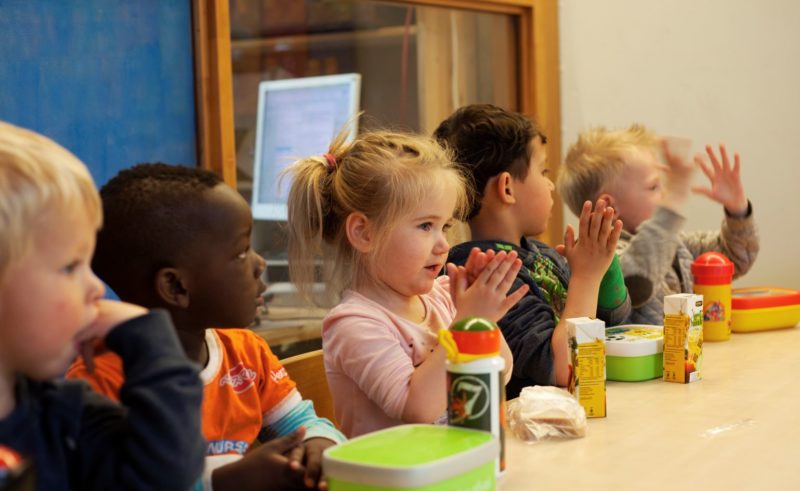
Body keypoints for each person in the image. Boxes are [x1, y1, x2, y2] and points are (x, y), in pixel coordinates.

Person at [67, 163, 345, 491]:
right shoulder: (99, 383)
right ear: (175, 286)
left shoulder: (245, 352)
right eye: (241, 252)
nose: (259, 263)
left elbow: (306, 425)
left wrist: (319, 445)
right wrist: (231, 481)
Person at [0, 121, 205, 491]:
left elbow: (165, 475)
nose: (96, 288)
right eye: (71, 266)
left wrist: (147, 339)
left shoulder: (61, 416)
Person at [286, 130, 528, 438]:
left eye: (446, 226)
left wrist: (483, 318)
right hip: (388, 481)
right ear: (363, 233)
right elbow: (417, 408)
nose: (444, 245)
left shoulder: (444, 296)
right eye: (426, 225)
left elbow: (501, 371)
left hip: (453, 468)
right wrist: (468, 323)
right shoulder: (353, 324)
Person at [434, 104, 631, 396]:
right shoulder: (486, 275)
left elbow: (612, 328)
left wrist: (603, 264)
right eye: (544, 171)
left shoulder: (541, 254)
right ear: (507, 188)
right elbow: (564, 369)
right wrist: (586, 278)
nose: (551, 185)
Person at [557, 124, 759, 324]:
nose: (664, 194)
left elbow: (732, 257)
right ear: (609, 207)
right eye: (654, 187)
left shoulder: (675, 244)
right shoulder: (601, 260)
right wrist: (675, 196)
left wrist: (737, 209)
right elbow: (638, 283)